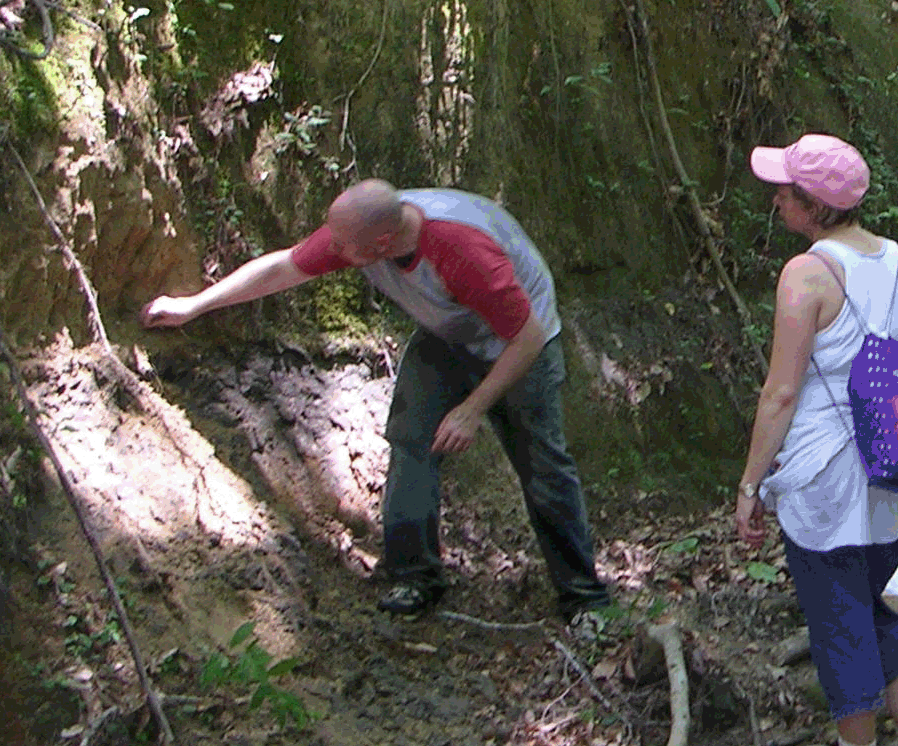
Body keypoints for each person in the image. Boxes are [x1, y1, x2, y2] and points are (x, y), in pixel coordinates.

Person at [141, 181, 612, 619]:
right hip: (450, 333)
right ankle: (415, 577)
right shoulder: (363, 233)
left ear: (383, 244)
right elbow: (285, 267)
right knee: (411, 438)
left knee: (541, 464)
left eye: (344, 246)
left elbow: (526, 337)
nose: (334, 251)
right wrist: (194, 305)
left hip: (521, 343)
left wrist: (472, 409)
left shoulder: (460, 251)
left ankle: (585, 598)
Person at [734, 133, 898, 746]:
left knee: (838, 619)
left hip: (826, 483)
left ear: (811, 207)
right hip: (897, 471)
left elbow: (780, 393)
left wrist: (749, 486)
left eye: (783, 191)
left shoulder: (807, 276)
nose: (774, 198)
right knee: (873, 604)